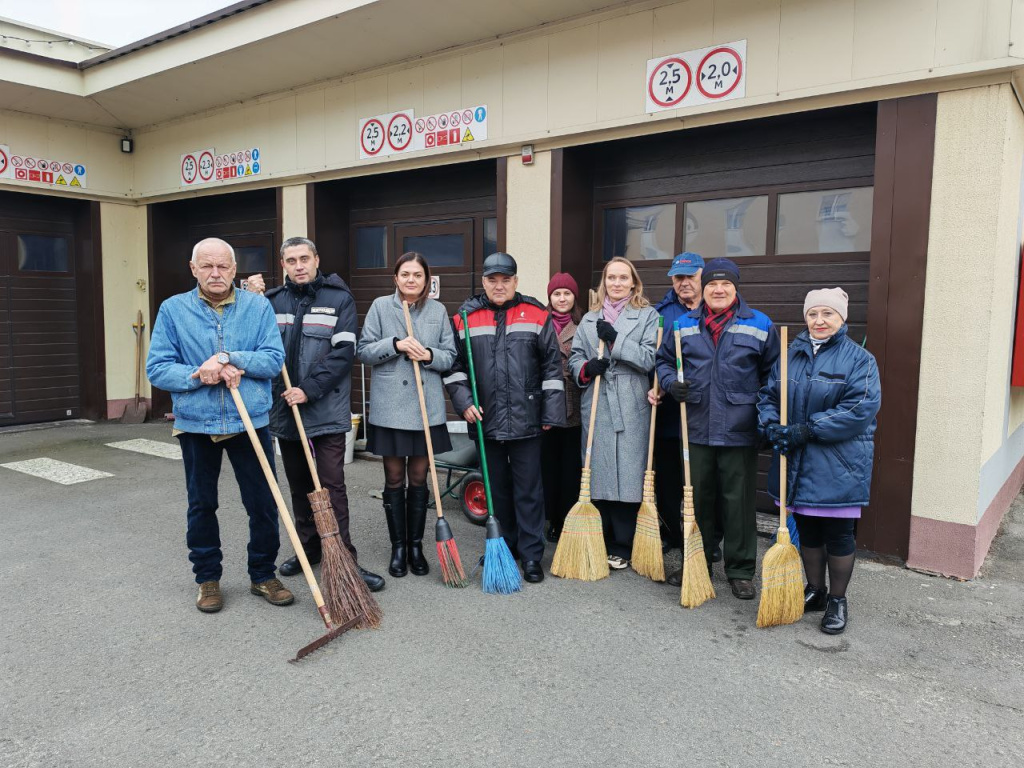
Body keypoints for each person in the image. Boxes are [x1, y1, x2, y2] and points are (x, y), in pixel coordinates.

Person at [146, 237, 293, 613]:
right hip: (197, 423)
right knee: (202, 504)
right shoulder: (173, 309)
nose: (216, 273)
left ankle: (263, 574)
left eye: (223, 266)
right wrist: (201, 373)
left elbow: (273, 359)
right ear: (193, 269)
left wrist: (229, 357)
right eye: (207, 266)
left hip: (250, 421)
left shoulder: (257, 306)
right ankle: (207, 579)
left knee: (263, 503)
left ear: (234, 269)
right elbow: (158, 368)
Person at [244, 237, 385, 593]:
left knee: (331, 487)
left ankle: (343, 557)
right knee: (300, 486)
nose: (299, 265)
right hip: (285, 411)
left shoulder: (339, 299)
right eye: (291, 260)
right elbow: (252, 344)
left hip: (325, 410)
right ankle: (309, 549)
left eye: (304, 258)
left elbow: (343, 353)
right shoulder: (270, 301)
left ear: (317, 259)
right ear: (283, 265)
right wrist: (250, 299)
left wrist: (308, 389)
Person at [757, 288, 880, 634]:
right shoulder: (790, 355)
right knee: (808, 531)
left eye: (828, 314)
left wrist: (807, 429)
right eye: (813, 314)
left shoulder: (859, 359)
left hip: (838, 464)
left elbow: (859, 408)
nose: (819, 320)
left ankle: (838, 600)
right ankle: (816, 590)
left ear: (842, 318)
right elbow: (768, 396)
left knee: (838, 534)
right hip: (796, 462)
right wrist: (771, 425)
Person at [655, 257, 779, 599]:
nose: (719, 289)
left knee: (738, 503)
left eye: (725, 284)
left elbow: (773, 376)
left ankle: (740, 570)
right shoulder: (682, 325)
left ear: (736, 288)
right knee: (697, 501)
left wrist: (766, 417)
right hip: (695, 425)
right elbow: (664, 361)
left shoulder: (759, 324)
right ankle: (698, 563)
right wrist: (670, 382)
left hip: (740, 427)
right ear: (704, 287)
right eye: (712, 284)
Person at [444, 252, 566, 583]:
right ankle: (506, 546)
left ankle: (531, 555)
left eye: (506, 279)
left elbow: (552, 367)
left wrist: (551, 411)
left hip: (528, 418)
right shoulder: (464, 318)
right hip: (485, 417)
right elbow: (455, 368)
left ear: (516, 281)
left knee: (529, 490)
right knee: (496, 489)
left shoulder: (536, 314)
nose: (499, 286)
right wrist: (464, 402)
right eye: (492, 280)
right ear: (483, 282)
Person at [357, 252, 457, 579]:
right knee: (393, 478)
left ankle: (416, 546)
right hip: (390, 407)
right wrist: (396, 344)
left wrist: (428, 354)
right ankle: (398, 547)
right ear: (396, 278)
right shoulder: (380, 307)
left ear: (427, 280)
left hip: (426, 407)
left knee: (419, 477)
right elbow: (363, 350)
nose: (411, 280)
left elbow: (450, 356)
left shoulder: (437, 311)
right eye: (405, 274)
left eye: (417, 275)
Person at [569, 257, 659, 571]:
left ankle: (624, 542)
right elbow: (575, 358)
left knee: (628, 473)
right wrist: (586, 368)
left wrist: (616, 339)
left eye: (623, 278)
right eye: (611, 278)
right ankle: (601, 538)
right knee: (599, 471)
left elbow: (649, 357)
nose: (617, 283)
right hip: (597, 400)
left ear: (633, 283)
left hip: (630, 401)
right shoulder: (589, 318)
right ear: (604, 282)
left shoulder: (647, 315)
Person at [541, 272, 584, 543]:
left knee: (570, 468)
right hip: (546, 405)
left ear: (574, 297)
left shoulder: (583, 326)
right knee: (548, 465)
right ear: (550, 297)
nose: (562, 298)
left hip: (573, 406)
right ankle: (550, 519)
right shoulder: (541, 324)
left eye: (567, 293)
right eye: (557, 294)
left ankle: (567, 519)